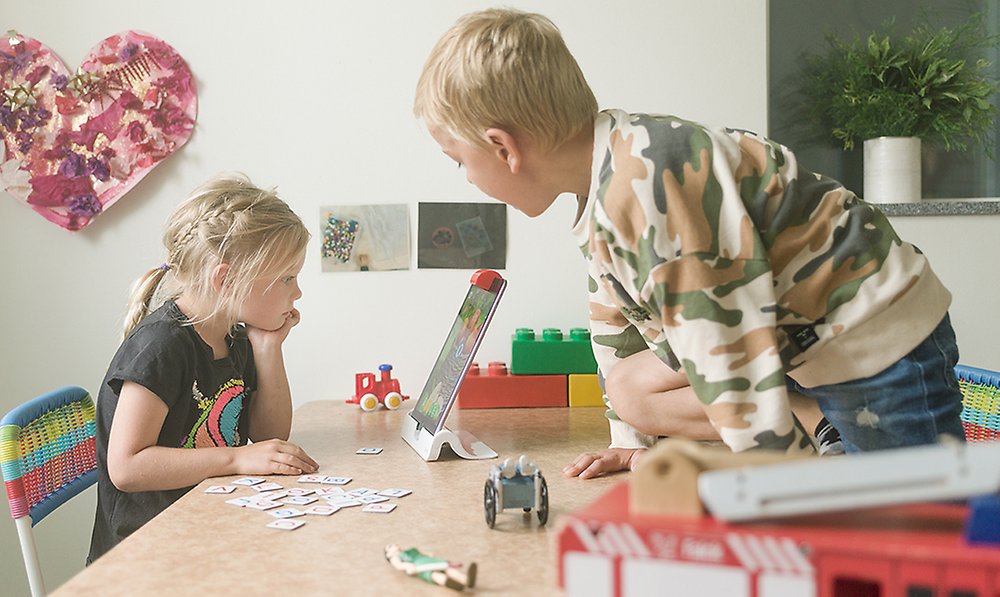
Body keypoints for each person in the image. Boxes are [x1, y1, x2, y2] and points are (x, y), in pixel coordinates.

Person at [413, 8, 965, 479]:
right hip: (811, 340)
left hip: (874, 336)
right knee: (870, 521)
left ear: (504, 148)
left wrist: (779, 485)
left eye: (460, 162)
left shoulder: (646, 183)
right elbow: (616, 327)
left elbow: (726, 351)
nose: (467, 178)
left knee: (915, 527)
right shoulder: (599, 185)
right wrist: (629, 441)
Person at [87, 174, 319, 562]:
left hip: (204, 527)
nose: (297, 292)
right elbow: (126, 467)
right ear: (226, 279)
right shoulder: (161, 347)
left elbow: (269, 435)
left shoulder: (233, 336)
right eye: (286, 278)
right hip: (143, 556)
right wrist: (236, 459)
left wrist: (268, 348)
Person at [384, 544, 477, 591]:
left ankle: (466, 580)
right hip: (420, 566)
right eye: (390, 546)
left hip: (429, 560)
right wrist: (407, 566)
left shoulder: (409, 550)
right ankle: (452, 584)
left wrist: (428, 554)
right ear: (388, 554)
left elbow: (422, 553)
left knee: (448, 569)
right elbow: (399, 565)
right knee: (434, 575)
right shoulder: (395, 557)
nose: (394, 545)